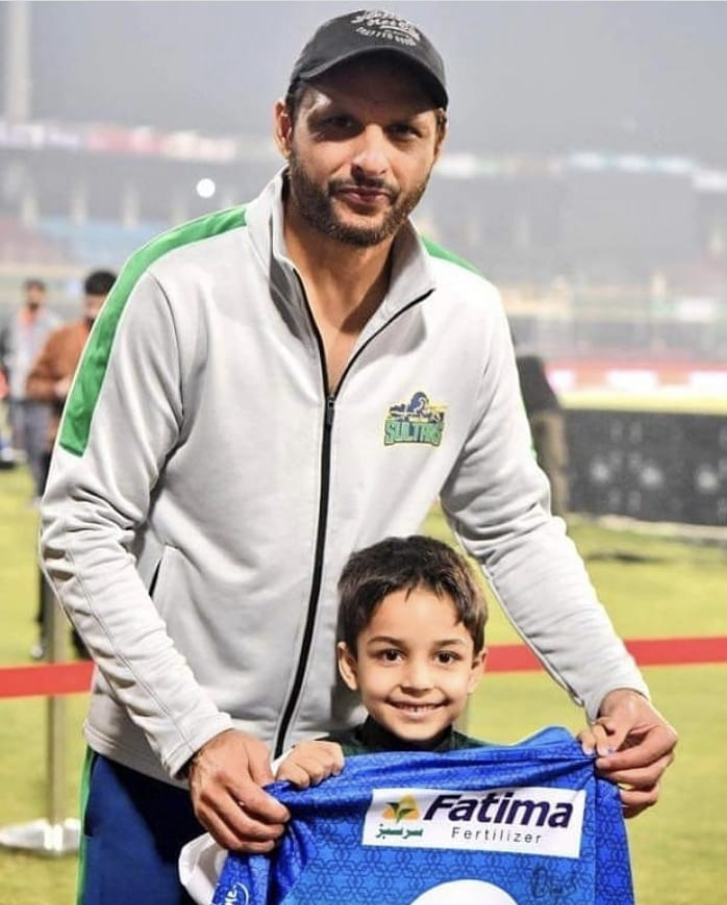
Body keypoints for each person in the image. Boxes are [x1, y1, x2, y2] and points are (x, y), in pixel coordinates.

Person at [38, 10, 676, 905]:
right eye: (340, 123)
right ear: (284, 126)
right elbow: (80, 526)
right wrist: (193, 733)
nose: (370, 158)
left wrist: (615, 688)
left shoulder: (465, 315)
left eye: (402, 132)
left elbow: (513, 527)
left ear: (437, 145)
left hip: (358, 782)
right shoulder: (176, 287)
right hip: (167, 774)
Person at [180, 535, 629, 905]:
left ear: (475, 667)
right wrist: (279, 785)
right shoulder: (319, 773)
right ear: (350, 664)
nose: (418, 680)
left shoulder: (503, 778)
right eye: (390, 655)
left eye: (445, 657)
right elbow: (209, 874)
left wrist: (588, 765)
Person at [25, 269, 117, 661]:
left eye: (102, 304)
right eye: (91, 305)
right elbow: (32, 384)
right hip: (61, 453)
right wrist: (57, 388)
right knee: (55, 546)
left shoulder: (130, 334)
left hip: (113, 461)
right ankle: (47, 632)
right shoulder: (62, 338)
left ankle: (92, 641)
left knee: (110, 552)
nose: (95, 312)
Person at [0, 278, 60, 499]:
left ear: (43, 295)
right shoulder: (14, 322)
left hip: (40, 391)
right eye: (30, 293)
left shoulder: (53, 324)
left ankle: (43, 490)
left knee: (41, 442)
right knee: (22, 441)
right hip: (17, 390)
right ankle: (38, 487)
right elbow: (5, 353)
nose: (33, 297)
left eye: (38, 293)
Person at [515, 353, 569, 518]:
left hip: (529, 415)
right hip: (550, 414)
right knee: (554, 470)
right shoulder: (532, 359)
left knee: (523, 468)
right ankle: (558, 516)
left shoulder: (508, 360)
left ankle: (529, 514)